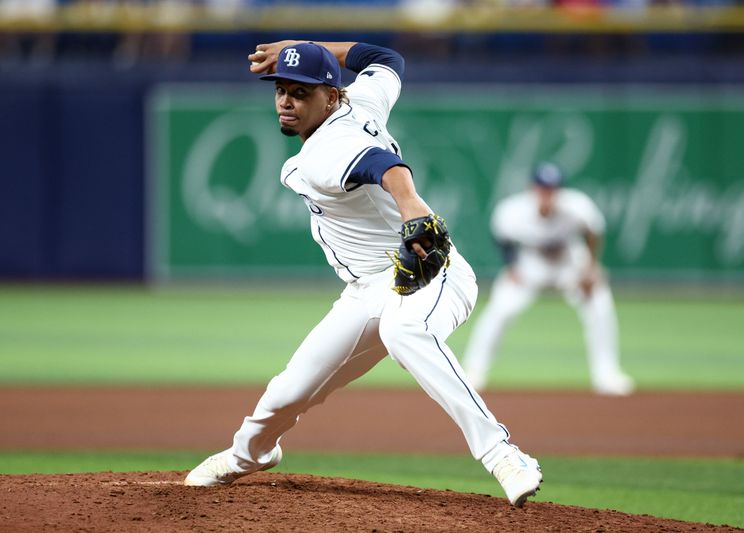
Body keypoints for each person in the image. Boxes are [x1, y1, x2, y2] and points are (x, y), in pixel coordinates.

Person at [183, 40, 543, 507]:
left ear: (331, 97)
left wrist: (411, 203)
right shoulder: (363, 98)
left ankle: (503, 455)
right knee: (287, 392)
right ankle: (247, 455)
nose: (287, 102)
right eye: (282, 91)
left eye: (302, 92)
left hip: (430, 278)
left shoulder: (327, 151)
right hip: (366, 291)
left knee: (405, 329)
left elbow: (381, 165)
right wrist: (302, 50)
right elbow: (386, 60)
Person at [462, 162, 635, 396]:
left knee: (599, 303)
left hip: (569, 260)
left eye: (552, 189)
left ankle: (607, 374)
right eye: (542, 188)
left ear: (560, 191)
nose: (547, 194)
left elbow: (594, 232)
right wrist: (512, 268)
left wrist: (591, 268)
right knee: (500, 309)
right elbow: (502, 237)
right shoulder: (512, 210)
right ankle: (474, 371)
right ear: (532, 189)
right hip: (530, 262)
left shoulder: (578, 206)